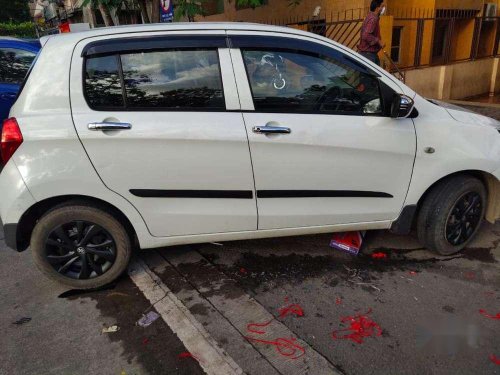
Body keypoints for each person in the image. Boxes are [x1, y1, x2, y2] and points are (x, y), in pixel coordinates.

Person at [358, 0, 386, 66]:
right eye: (382, 6)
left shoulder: (371, 17)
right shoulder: (373, 19)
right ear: (377, 8)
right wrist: (378, 41)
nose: (383, 9)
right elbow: (366, 35)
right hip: (368, 55)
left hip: (369, 54)